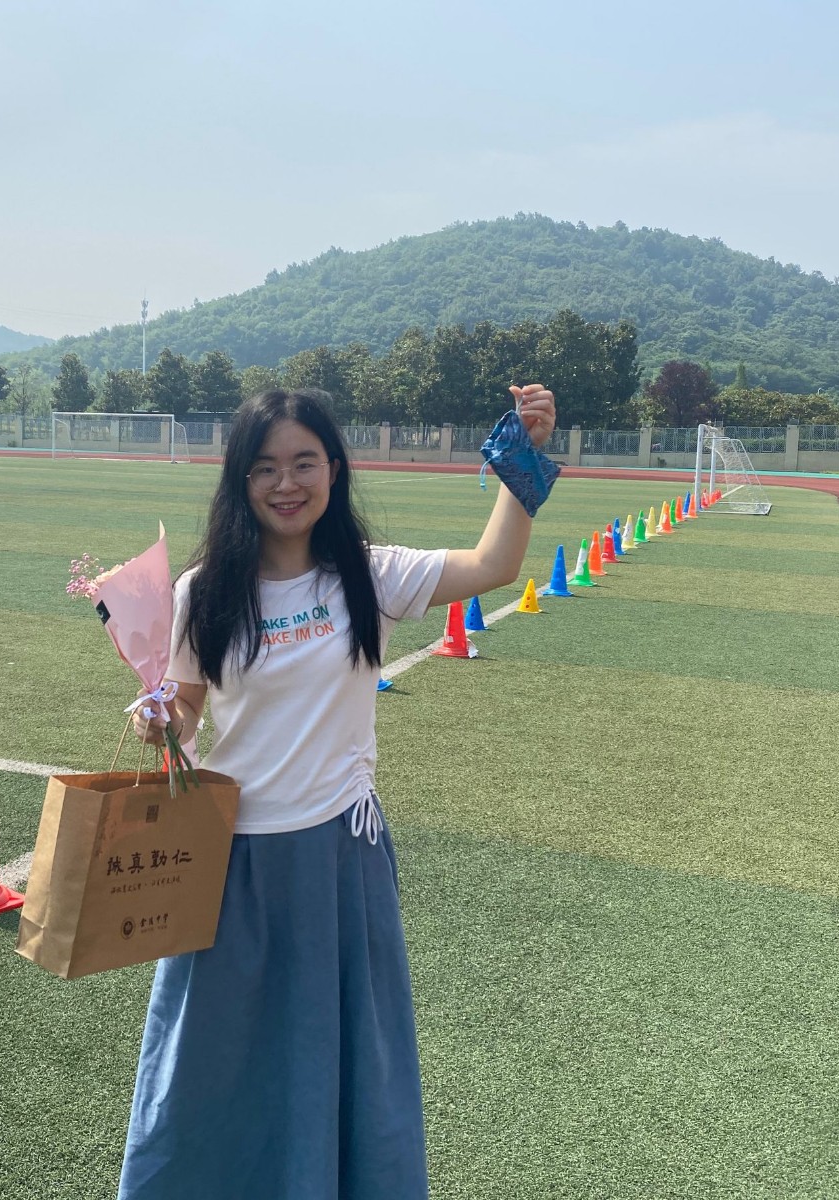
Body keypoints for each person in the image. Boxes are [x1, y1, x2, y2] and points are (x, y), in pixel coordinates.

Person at [120, 384, 557, 1199]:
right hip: (231, 861)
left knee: (344, 1055)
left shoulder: (370, 576)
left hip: (339, 859)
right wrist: (158, 720)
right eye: (265, 467)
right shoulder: (203, 592)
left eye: (304, 463)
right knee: (210, 1056)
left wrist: (522, 462)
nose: (286, 484)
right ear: (240, 479)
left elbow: (496, 565)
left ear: (334, 469)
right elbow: (185, 708)